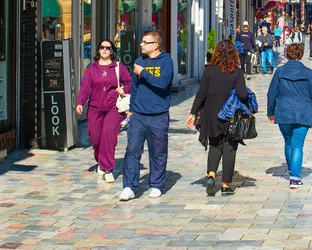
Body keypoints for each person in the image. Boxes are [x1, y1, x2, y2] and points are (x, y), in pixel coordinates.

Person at [187, 40, 248, 196]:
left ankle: (211, 176)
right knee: (229, 149)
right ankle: (226, 185)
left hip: (211, 114)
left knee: (215, 146)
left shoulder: (209, 71)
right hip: (230, 116)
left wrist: (193, 113)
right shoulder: (236, 71)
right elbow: (242, 94)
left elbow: (201, 94)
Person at [119, 31, 174, 201]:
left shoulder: (166, 61)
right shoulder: (138, 61)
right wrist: (131, 109)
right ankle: (129, 186)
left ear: (155, 45)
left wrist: (144, 73)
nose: (141, 45)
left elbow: (163, 83)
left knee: (158, 151)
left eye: (145, 42)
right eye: (141, 41)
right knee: (132, 150)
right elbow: (135, 88)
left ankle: (156, 184)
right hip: (138, 115)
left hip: (158, 114)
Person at [267, 43, 312, 189]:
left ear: (287, 54)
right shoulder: (307, 72)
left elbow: (271, 93)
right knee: (298, 144)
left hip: (284, 111)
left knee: (288, 142)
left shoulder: (280, 72)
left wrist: (270, 112)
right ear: (301, 54)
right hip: (303, 112)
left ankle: (292, 168)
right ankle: (295, 177)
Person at [76, 39, 131, 183]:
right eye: (102, 47)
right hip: (95, 108)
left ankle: (108, 168)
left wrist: (124, 89)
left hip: (114, 108)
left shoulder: (118, 67)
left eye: (108, 48)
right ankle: (101, 160)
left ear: (112, 51)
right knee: (95, 137)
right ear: (99, 50)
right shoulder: (92, 69)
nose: (105, 50)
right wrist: (80, 102)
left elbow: (129, 83)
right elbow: (85, 87)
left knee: (109, 135)